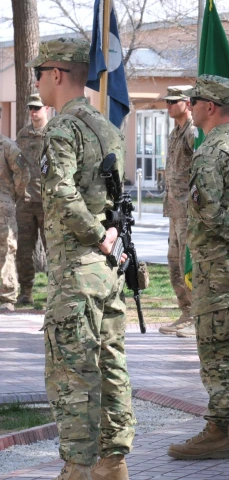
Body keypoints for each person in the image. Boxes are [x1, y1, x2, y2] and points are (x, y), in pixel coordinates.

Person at [30, 37, 133, 480]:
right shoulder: (107, 126)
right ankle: (113, 463)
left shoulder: (61, 129)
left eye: (38, 74)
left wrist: (97, 236)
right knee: (110, 363)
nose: (36, 83)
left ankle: (78, 469)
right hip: (106, 271)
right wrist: (108, 237)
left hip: (78, 267)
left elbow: (61, 193)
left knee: (72, 372)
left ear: (55, 74)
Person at [167, 75, 229, 460]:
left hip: (219, 265)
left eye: (196, 100)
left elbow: (207, 210)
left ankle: (217, 430)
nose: (190, 104)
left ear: (210, 107)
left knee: (216, 344)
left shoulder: (210, 151)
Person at [158, 86, 198, 336]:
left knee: (187, 263)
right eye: (167, 101)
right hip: (174, 210)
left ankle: (196, 315)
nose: (168, 106)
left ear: (187, 103)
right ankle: (185, 311)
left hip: (188, 210)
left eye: (173, 101)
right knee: (174, 263)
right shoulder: (175, 133)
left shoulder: (193, 133)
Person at [14, 93, 48, 306]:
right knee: (24, 251)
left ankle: (56, 293)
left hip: (47, 203)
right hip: (25, 202)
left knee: (53, 250)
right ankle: (25, 292)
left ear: (46, 109)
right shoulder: (23, 135)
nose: (34, 112)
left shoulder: (53, 133)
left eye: (37, 107)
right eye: (31, 108)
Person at [0, 124, 29, 313]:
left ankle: (6, 297)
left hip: (3, 208)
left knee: (6, 250)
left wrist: (12, 196)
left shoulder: (7, 146)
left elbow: (23, 173)